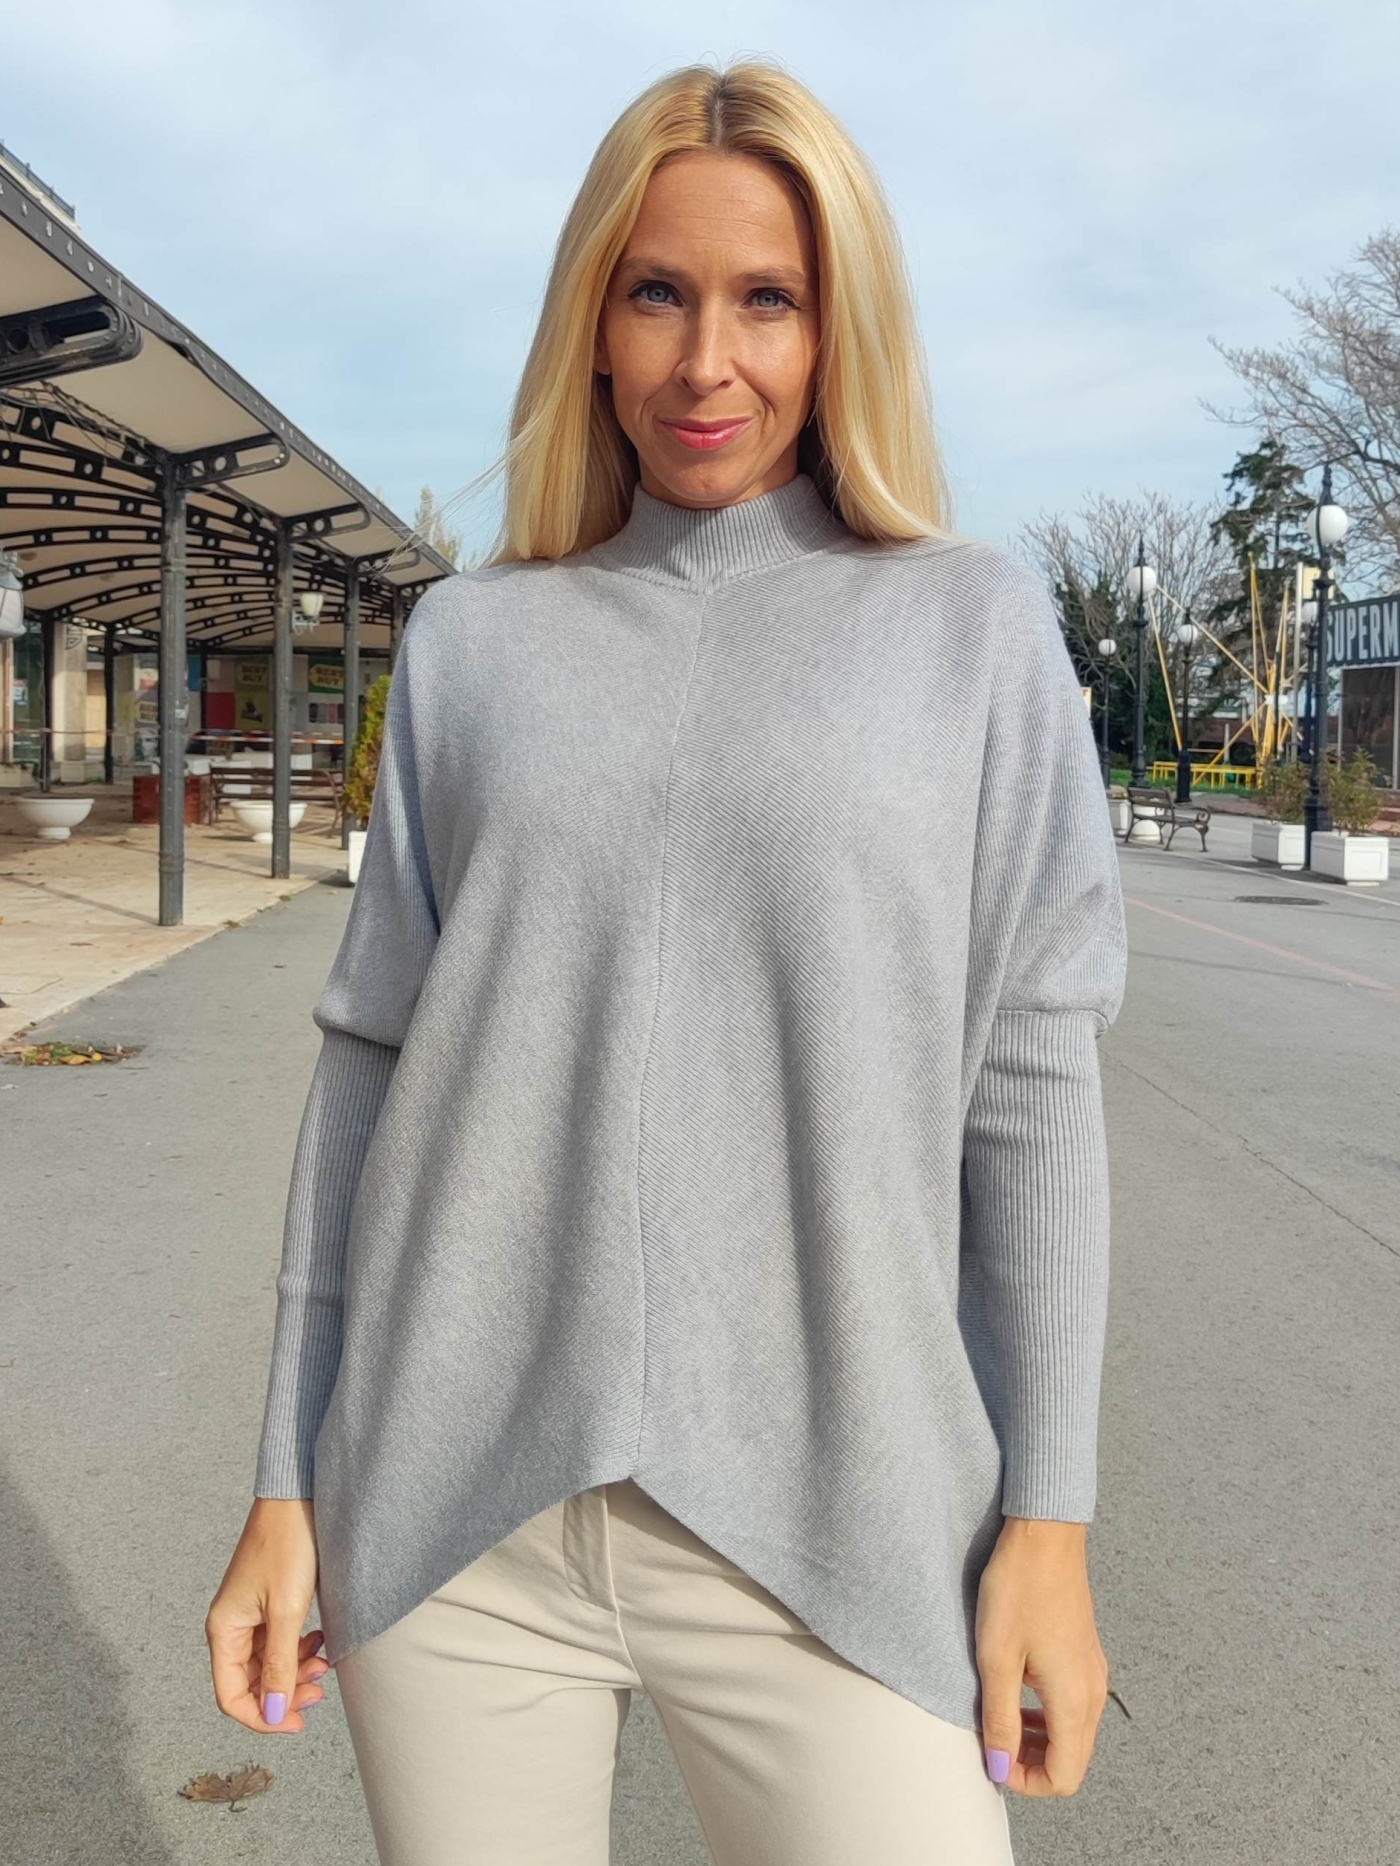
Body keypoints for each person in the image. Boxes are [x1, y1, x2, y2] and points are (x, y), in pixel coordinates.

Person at [206, 56, 1127, 1866]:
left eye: (767, 298)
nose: (709, 361)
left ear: (838, 326)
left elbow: (1034, 1085)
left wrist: (1051, 1519)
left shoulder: (973, 630)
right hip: (457, 1528)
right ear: (594, 323)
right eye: (657, 292)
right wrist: (288, 1476)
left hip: (840, 1525)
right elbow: (371, 1056)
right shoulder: (473, 642)